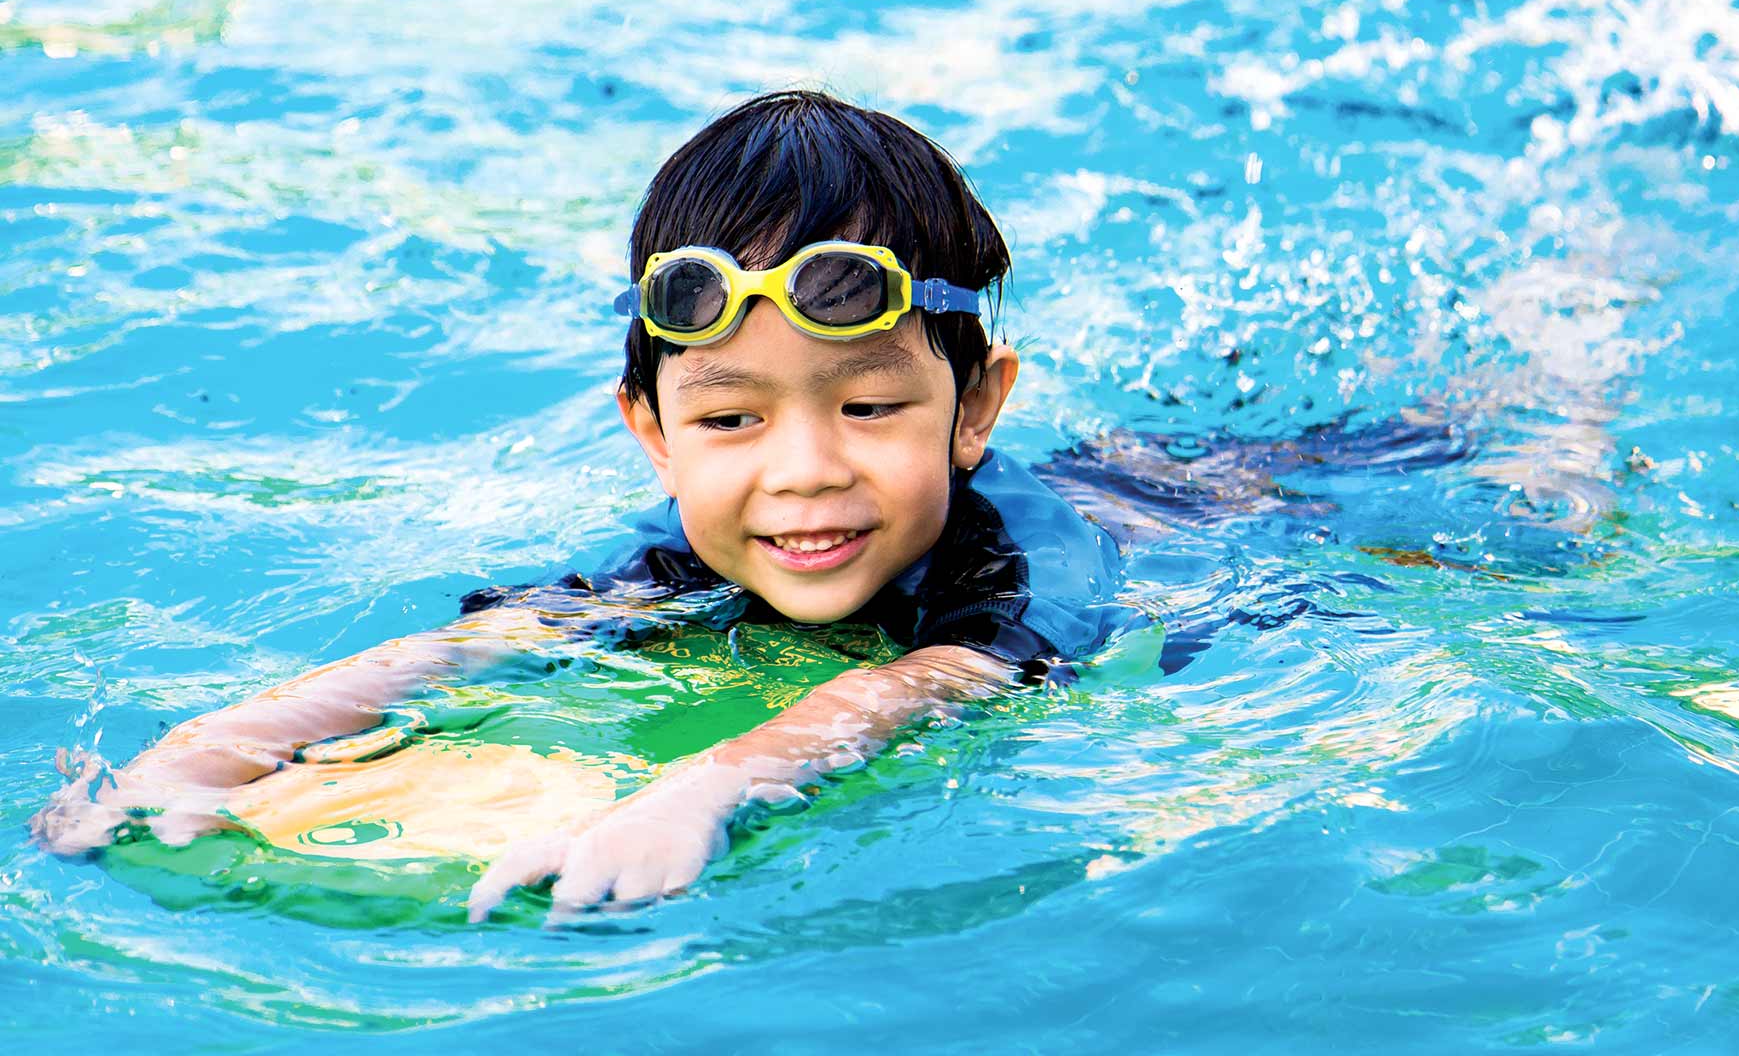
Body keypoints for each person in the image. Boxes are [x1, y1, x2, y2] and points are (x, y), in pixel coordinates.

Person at [30, 91, 1138, 922]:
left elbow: (925, 684)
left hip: (1186, 508)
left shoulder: (1017, 565)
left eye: (870, 405)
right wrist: (207, 754)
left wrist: (703, 792)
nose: (802, 471)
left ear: (975, 406)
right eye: (730, 422)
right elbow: (467, 648)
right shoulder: (689, 552)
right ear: (651, 433)